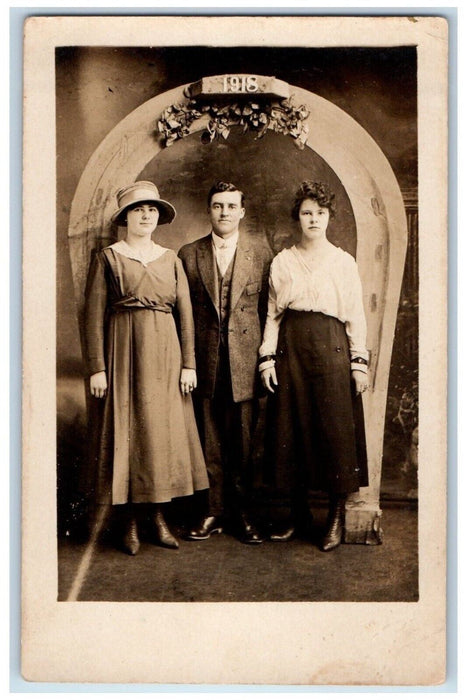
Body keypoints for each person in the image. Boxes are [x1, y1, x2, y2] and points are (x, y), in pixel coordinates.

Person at [84, 181, 209, 555]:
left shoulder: (171, 259)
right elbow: (92, 315)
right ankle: (129, 524)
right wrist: (97, 368)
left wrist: (189, 364)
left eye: (151, 210)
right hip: (123, 352)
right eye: (138, 210)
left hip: (166, 356)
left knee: (160, 435)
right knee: (129, 432)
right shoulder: (108, 257)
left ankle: (157, 516)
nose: (146, 216)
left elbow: (185, 314)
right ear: (125, 217)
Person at [259, 180, 369, 551]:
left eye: (320, 213)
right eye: (307, 213)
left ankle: (335, 519)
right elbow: (273, 316)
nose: (314, 220)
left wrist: (358, 362)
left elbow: (355, 315)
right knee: (291, 428)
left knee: (335, 431)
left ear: (329, 217)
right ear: (297, 218)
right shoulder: (283, 261)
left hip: (332, 346)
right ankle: (297, 514)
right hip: (292, 346)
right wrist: (267, 358)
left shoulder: (343, 262)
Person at [178, 181, 273, 544]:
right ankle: (212, 511)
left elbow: (271, 312)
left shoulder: (262, 254)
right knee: (209, 440)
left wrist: (265, 360)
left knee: (247, 443)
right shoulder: (188, 254)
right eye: (218, 205)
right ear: (209, 210)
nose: (224, 213)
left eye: (231, 206)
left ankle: (245, 514)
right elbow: (179, 316)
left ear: (242, 212)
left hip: (245, 365)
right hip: (203, 364)